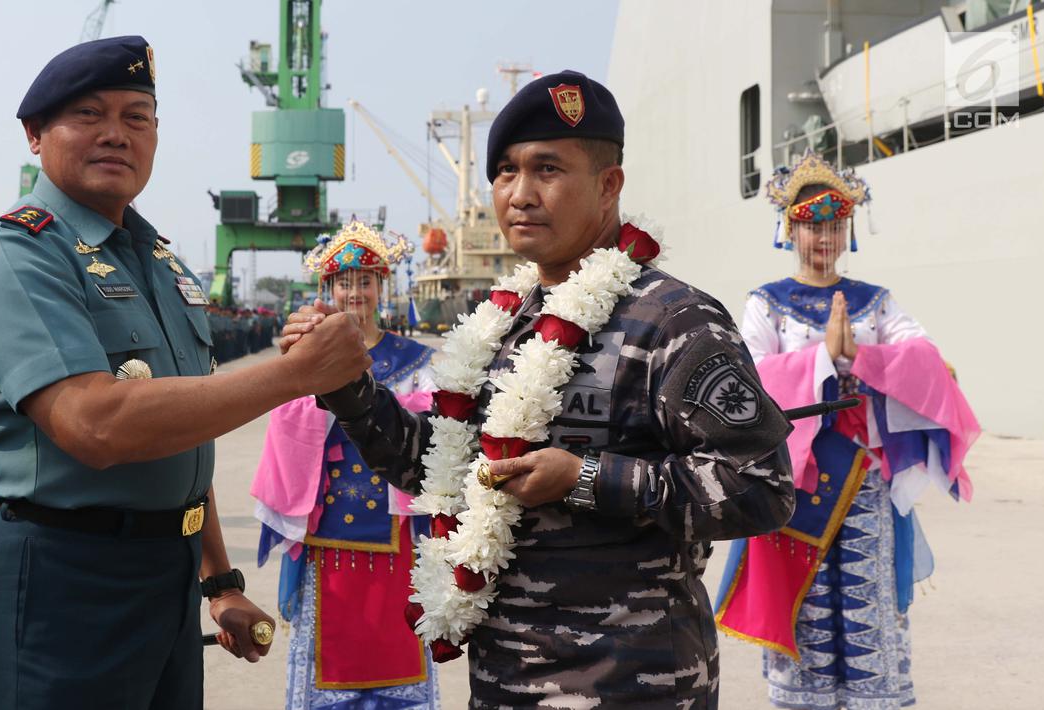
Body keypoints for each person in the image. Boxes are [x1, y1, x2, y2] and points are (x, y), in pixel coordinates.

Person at [280, 71, 796, 708]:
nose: (519, 194)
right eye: (505, 172)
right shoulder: (499, 327)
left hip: (633, 685)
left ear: (609, 186)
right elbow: (439, 468)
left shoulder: (674, 322)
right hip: (504, 685)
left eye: (547, 169)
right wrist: (348, 386)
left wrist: (583, 478)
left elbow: (761, 489)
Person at [0, 36, 370, 709]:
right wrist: (293, 375)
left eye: (136, 118)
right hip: (62, 585)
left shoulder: (160, 265)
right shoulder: (18, 259)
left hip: (164, 580)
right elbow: (96, 424)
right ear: (34, 134)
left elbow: (184, 444)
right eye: (89, 114)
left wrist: (218, 581)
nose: (116, 134)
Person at [713, 151, 981, 709]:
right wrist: (819, 363)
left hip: (864, 476)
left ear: (848, 230)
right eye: (812, 225)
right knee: (805, 601)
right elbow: (749, 378)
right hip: (796, 476)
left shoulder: (874, 302)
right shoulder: (767, 304)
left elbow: (927, 356)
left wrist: (860, 354)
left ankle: (873, 696)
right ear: (790, 228)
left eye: (835, 225)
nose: (824, 238)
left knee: (865, 593)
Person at [253, 221, 441, 709]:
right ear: (328, 288)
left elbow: (433, 430)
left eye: (365, 280)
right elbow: (285, 419)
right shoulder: (308, 353)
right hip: (327, 525)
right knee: (327, 653)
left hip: (399, 529)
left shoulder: (414, 358)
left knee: (399, 638)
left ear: (382, 285)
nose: (354, 291)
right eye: (343, 281)